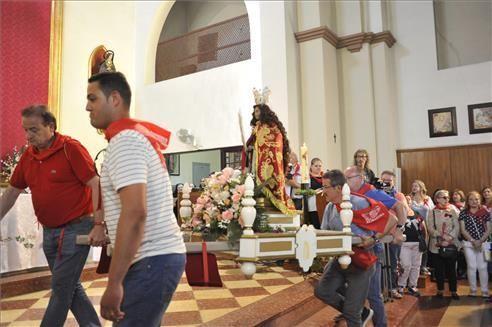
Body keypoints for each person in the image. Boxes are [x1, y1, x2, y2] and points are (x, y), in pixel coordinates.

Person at [86, 71, 186, 326]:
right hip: (155, 258)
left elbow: (135, 212)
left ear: (115, 98)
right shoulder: (132, 138)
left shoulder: (125, 141)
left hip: (152, 259)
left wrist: (114, 283)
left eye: (93, 98)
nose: (87, 106)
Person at [0, 105, 104, 327]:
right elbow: (12, 192)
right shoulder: (29, 156)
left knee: (60, 287)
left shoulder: (70, 149)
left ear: (51, 127)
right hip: (49, 231)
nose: (28, 136)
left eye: (34, 130)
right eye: (25, 130)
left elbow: (96, 183)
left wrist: (99, 223)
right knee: (69, 286)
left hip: (77, 228)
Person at [315, 169, 395, 327]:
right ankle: (362, 311)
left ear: (338, 188)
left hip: (361, 260)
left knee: (353, 312)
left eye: (325, 187)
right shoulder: (330, 208)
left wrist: (373, 239)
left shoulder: (358, 203)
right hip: (340, 257)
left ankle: (357, 312)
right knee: (322, 291)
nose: (323, 191)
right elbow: (324, 233)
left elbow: (392, 219)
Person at [344, 166, 402, 326]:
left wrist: (399, 229)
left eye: (349, 178)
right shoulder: (349, 195)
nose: (346, 181)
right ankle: (358, 314)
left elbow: (398, 207)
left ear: (360, 177)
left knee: (373, 294)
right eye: (345, 178)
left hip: (373, 249)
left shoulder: (372, 192)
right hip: (355, 250)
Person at [242, 92, 296, 215]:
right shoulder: (257, 127)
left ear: (264, 111)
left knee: (267, 180)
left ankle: (270, 199)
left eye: (258, 111)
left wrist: (262, 146)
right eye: (255, 111)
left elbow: (276, 142)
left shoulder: (272, 126)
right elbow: (253, 142)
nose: (256, 114)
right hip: (256, 157)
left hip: (267, 159)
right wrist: (249, 148)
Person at [428, 189, 460, 299]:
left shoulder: (452, 210)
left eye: (447, 197)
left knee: (451, 269)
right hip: (437, 244)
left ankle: (453, 291)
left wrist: (449, 237)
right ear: (437, 199)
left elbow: (457, 226)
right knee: (439, 270)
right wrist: (441, 236)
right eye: (444, 197)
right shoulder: (432, 211)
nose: (447, 199)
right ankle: (440, 290)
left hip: (450, 244)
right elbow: (430, 228)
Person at [459, 191, 491, 298]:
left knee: (483, 267)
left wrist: (480, 241)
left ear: (480, 200)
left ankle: (485, 290)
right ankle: (473, 290)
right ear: (468, 201)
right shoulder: (464, 213)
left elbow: (489, 230)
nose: (474, 201)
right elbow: (463, 230)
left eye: (476, 199)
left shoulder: (485, 212)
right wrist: (473, 241)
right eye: (471, 199)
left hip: (483, 243)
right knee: (471, 266)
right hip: (468, 243)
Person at [408, 179, 434, 276]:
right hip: (413, 225)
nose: (414, 188)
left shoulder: (427, 199)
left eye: (416, 186)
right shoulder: (409, 198)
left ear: (421, 188)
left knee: (424, 246)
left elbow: (432, 211)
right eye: (413, 186)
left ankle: (423, 266)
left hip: (425, 226)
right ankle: (413, 266)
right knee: (414, 246)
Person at [307, 157, 323, 229]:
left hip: (323, 204)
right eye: (316, 166)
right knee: (315, 225)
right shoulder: (308, 177)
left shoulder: (325, 177)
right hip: (313, 204)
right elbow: (305, 191)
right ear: (311, 167)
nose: (318, 168)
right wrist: (314, 192)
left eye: (320, 166)